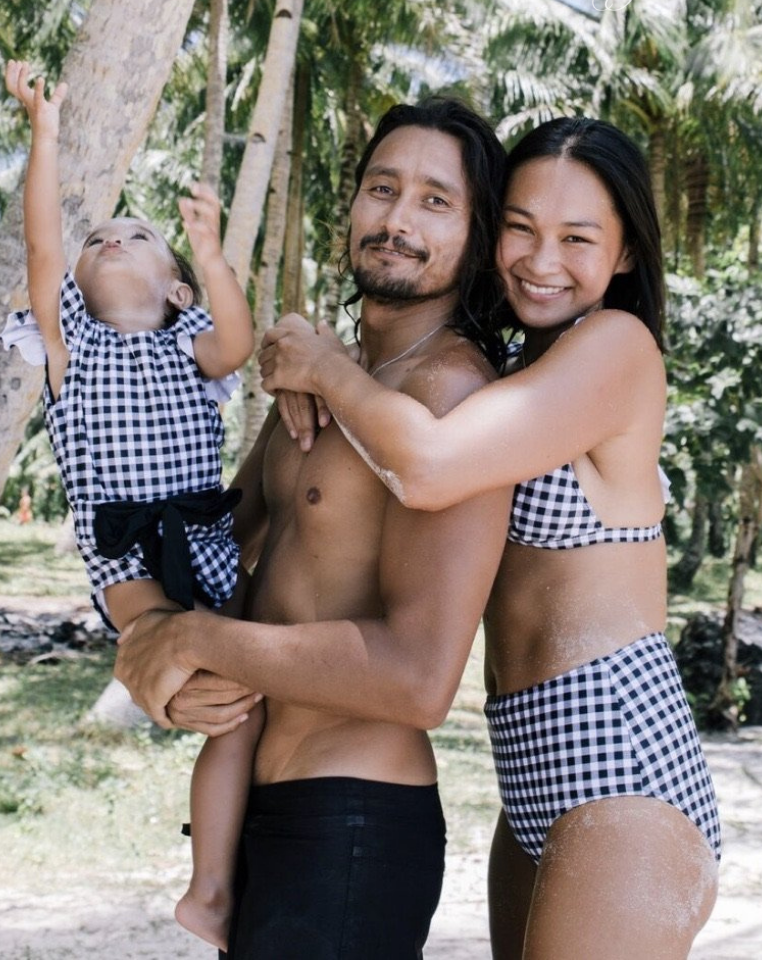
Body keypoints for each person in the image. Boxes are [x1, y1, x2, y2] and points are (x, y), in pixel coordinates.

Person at [256, 116, 722, 959]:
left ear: (623, 255)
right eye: (520, 228)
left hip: (618, 756)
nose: (542, 262)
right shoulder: (513, 366)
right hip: (530, 760)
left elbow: (427, 467)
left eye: (578, 238)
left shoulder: (614, 347)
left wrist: (324, 367)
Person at [114, 98, 513, 958]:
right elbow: (216, 548)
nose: (398, 219)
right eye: (382, 188)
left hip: (353, 824)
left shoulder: (447, 398)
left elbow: (418, 682)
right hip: (263, 808)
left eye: (436, 201)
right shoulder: (322, 380)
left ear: (477, 240)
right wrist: (149, 637)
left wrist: (195, 638)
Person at [1, 60, 259, 951]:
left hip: (209, 547)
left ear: (178, 288)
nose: (113, 238)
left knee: (240, 703)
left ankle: (212, 887)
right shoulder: (71, 351)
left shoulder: (194, 342)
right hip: (126, 562)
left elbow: (239, 341)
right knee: (197, 664)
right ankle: (148, 682)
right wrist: (45, 130)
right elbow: (42, 249)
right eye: (100, 237)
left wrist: (215, 253)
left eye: (139, 236)